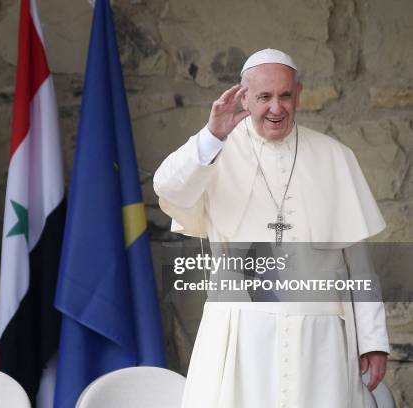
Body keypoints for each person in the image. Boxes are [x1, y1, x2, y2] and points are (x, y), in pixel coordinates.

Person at [154, 49, 389, 408]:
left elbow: (359, 263)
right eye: (264, 97)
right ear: (244, 97)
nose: (276, 108)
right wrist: (210, 136)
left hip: (319, 339)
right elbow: (168, 189)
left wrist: (372, 340)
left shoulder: (334, 156)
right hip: (239, 335)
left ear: (299, 94)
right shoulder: (214, 151)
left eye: (284, 95)